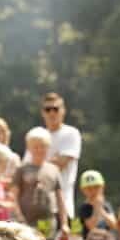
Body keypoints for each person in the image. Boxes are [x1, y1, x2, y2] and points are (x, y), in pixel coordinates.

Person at [12, 127, 71, 240]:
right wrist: (19, 216)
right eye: (35, 146)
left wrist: (65, 223)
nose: (39, 150)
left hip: (48, 221)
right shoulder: (22, 169)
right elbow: (13, 196)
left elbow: (61, 199)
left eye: (43, 146)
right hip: (27, 222)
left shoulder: (53, 170)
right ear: (29, 148)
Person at [40, 92, 82, 221]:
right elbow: (26, 167)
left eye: (56, 109)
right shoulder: (38, 135)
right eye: (48, 109)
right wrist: (52, 161)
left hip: (63, 205)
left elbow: (61, 164)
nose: (52, 113)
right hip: (38, 207)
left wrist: (40, 163)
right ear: (43, 113)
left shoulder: (71, 133)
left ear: (63, 111)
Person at [77, 169, 113, 240]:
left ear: (102, 188)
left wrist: (102, 210)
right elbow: (92, 226)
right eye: (89, 188)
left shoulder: (106, 205)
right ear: (83, 190)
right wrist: (97, 208)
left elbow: (113, 224)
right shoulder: (84, 208)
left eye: (96, 187)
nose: (93, 191)